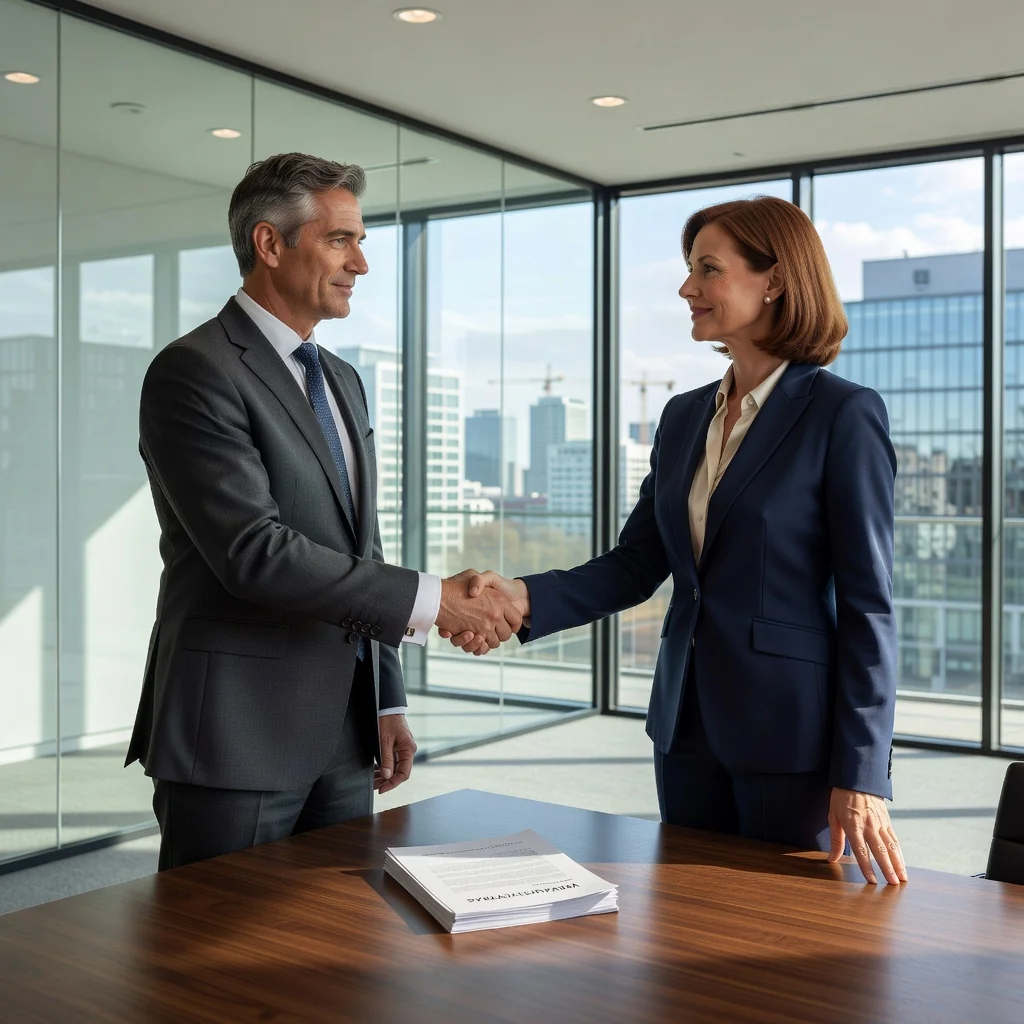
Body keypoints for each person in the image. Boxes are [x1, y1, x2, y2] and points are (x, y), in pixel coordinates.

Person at [444, 196, 908, 885]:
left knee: (789, 944)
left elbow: (871, 607)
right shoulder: (684, 415)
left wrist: (863, 771)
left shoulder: (843, 414)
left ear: (773, 281)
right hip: (684, 727)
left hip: (791, 739)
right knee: (684, 920)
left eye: (707, 269)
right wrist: (519, 596)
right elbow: (638, 563)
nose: (687, 289)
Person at [126, 152, 520, 870]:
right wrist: (437, 601)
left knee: (334, 954)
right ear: (270, 244)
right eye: (341, 239)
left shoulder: (339, 378)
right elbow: (253, 551)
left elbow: (359, 546)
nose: (361, 263)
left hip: (344, 732)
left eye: (361, 241)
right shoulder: (193, 372)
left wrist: (386, 700)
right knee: (213, 961)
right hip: (234, 733)